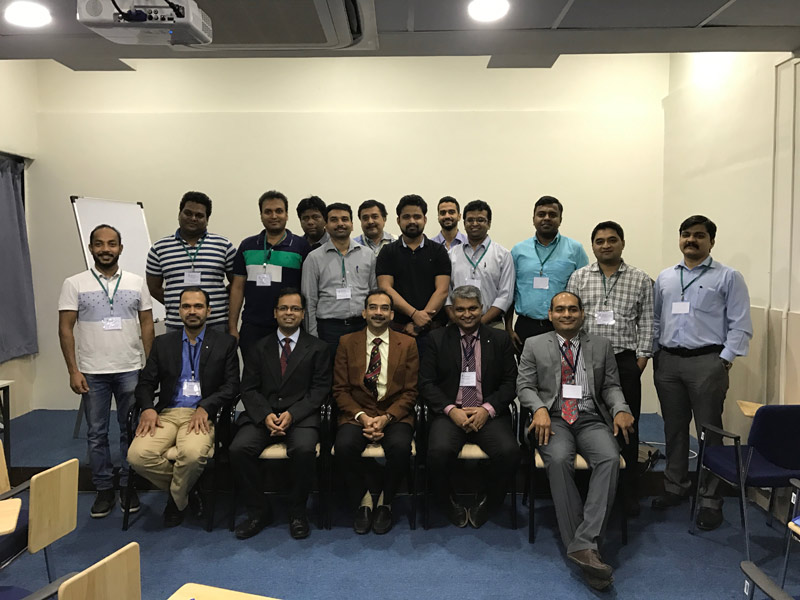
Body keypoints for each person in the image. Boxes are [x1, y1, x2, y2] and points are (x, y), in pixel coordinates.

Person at [517, 291, 635, 591]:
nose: (566, 314)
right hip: (554, 418)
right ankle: (587, 550)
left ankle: (583, 544)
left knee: (609, 458)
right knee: (558, 460)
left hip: (590, 417)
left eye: (572, 309)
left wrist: (621, 409)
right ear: (550, 315)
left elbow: (611, 386)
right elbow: (525, 386)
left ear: (582, 314)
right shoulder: (534, 344)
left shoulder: (601, 345)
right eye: (560, 310)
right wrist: (539, 408)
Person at [651, 215, 752, 531]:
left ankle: (710, 499)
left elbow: (740, 324)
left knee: (709, 431)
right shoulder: (666, 277)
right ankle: (675, 486)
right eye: (686, 234)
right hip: (668, 362)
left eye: (698, 235)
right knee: (674, 428)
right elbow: (655, 319)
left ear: (711, 241)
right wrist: (655, 353)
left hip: (707, 362)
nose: (691, 240)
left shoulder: (728, 277)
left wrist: (724, 360)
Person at [58, 224, 154, 518]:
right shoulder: (74, 284)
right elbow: (65, 328)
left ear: (120, 248)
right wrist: (73, 370)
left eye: (112, 244)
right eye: (99, 244)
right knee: (97, 433)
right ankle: (103, 488)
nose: (106, 249)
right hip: (92, 371)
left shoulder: (137, 282)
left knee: (130, 430)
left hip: (130, 368)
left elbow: (147, 324)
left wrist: (149, 367)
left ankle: (127, 484)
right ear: (91, 248)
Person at [127, 287, 239, 527]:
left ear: (208, 311)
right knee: (137, 456)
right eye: (186, 306)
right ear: (178, 311)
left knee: (192, 454)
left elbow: (232, 386)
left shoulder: (225, 343)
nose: (192, 311)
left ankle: (175, 500)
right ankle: (187, 490)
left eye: (198, 306)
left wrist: (206, 406)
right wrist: (147, 408)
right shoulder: (163, 343)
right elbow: (145, 383)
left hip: (202, 414)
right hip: (166, 414)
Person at [567, 220, 653, 515]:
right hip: (585, 359)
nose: (605, 245)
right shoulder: (579, 277)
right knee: (587, 421)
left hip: (624, 360)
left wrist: (641, 359)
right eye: (600, 241)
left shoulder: (640, 279)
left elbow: (647, 321)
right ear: (592, 246)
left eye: (612, 240)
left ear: (622, 243)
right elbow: (570, 319)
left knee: (626, 425)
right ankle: (586, 488)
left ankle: (626, 493)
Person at [229, 289, 331, 540]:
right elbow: (248, 388)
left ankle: (297, 512)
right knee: (239, 449)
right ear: (275, 313)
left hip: (301, 417)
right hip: (263, 416)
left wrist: (292, 414)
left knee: (304, 450)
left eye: (295, 309)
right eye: (284, 308)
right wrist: (265, 415)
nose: (289, 313)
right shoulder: (257, 347)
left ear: (303, 314)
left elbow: (320, 390)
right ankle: (259, 511)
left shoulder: (318, 348)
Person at [419, 286, 518, 528]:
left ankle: (489, 501)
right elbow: (426, 383)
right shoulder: (437, 339)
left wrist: (487, 409)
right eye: (460, 309)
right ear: (452, 311)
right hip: (451, 413)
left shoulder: (500, 339)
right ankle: (447, 501)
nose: (467, 314)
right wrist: (451, 410)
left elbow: (510, 383)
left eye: (472, 308)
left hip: (488, 413)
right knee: (437, 452)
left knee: (509, 452)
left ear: (482, 308)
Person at [333, 290, 419, 534]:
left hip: (394, 414)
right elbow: (340, 389)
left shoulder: (408, 344)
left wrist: (386, 417)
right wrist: (362, 417)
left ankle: (385, 501)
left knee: (400, 447)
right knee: (344, 446)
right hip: (357, 413)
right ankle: (364, 499)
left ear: (392, 314)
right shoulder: (347, 342)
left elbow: (411, 391)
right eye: (373, 307)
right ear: (364, 312)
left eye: (384, 308)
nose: (378, 313)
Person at [228, 191, 310, 355]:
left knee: (288, 370)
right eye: (268, 211)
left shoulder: (301, 246)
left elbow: (308, 290)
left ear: (287, 215)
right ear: (261, 215)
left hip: (289, 325)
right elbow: (237, 288)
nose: (274, 216)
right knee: (253, 370)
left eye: (279, 211)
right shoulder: (247, 246)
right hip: (253, 326)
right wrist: (232, 327)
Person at [146, 191, 235, 332]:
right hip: (177, 326)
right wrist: (179, 304)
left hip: (216, 324)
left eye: (199, 215)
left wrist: (217, 300)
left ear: (207, 219)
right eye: (188, 213)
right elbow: (154, 288)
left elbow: (237, 284)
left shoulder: (224, 246)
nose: (193, 218)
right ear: (179, 214)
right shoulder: (159, 248)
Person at [509, 195, 589, 351]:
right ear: (533, 219)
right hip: (526, 326)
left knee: (563, 367)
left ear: (560, 219)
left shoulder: (575, 249)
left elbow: (584, 291)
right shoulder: (518, 250)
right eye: (541, 214)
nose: (546, 218)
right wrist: (508, 328)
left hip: (563, 326)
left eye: (552, 215)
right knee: (527, 367)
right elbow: (510, 291)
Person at [376, 194, 451, 356]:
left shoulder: (438, 251)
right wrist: (414, 314)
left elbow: (442, 290)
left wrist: (421, 322)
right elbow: (385, 288)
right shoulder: (388, 252)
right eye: (406, 217)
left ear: (425, 219)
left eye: (417, 216)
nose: (412, 221)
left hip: (433, 331)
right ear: (398, 220)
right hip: (398, 330)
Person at [301, 202, 377, 356]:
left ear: (352, 224)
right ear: (326, 225)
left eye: (345, 219)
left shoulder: (368, 255)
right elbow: (309, 300)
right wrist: (312, 336)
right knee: (329, 370)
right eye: (334, 220)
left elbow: (374, 293)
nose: (340, 224)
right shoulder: (314, 258)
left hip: (361, 326)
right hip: (329, 330)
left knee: (360, 369)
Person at [445, 200, 514, 329]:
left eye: (480, 220)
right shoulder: (451, 254)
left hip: (492, 324)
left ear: (489, 223)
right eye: (470, 220)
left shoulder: (503, 255)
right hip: (457, 324)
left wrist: (480, 322)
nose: (475, 224)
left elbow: (505, 296)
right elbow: (446, 292)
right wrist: (455, 318)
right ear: (464, 223)